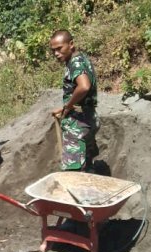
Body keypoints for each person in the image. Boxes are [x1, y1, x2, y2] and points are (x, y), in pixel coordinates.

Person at [49, 30, 99, 171]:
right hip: (89, 118)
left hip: (78, 125)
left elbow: (84, 86)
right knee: (87, 169)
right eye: (53, 50)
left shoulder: (75, 64)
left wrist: (69, 106)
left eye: (59, 48)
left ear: (71, 44)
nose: (56, 54)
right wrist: (65, 106)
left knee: (73, 173)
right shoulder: (82, 58)